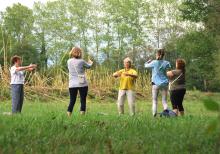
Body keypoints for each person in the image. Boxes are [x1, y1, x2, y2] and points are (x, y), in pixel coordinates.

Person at [67, 47, 93, 116]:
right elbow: (89, 67)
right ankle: (82, 116)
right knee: (83, 100)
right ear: (80, 53)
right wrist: (90, 62)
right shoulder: (82, 61)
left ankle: (69, 116)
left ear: (71, 53)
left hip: (72, 84)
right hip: (82, 83)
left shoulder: (68, 61)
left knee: (72, 100)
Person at [144, 49, 171, 117]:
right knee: (164, 101)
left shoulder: (154, 62)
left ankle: (154, 115)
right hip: (165, 83)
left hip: (155, 83)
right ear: (163, 55)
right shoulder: (167, 63)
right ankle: (166, 113)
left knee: (154, 100)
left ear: (157, 54)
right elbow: (169, 68)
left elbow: (145, 66)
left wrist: (148, 61)